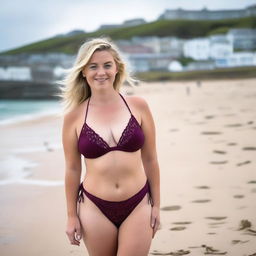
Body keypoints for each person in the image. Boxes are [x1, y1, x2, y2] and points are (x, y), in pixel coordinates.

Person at [61, 37, 160, 256]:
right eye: (93, 66)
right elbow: (72, 169)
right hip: (94, 207)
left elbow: (151, 159)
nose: (101, 72)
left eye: (107, 65)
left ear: (117, 68)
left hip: (138, 202)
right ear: (83, 72)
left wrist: (157, 205)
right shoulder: (74, 117)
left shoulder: (138, 106)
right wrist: (71, 216)